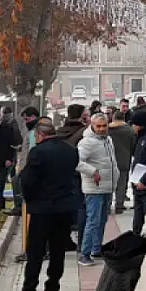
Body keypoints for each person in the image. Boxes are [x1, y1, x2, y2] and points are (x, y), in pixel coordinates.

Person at [13, 119, 79, 291]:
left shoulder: (38, 152)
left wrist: (29, 198)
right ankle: (52, 289)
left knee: (35, 251)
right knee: (58, 249)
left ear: (40, 135)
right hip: (63, 207)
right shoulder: (70, 151)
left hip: (42, 208)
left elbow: (27, 180)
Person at [77, 114, 120, 266]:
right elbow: (77, 161)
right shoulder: (86, 143)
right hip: (94, 188)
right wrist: (92, 171)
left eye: (104, 125)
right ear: (92, 125)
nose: (102, 129)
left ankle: (96, 248)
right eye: (98, 126)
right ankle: (85, 253)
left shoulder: (108, 140)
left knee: (102, 220)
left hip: (107, 186)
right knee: (93, 221)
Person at [59, 105, 88, 249]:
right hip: (78, 172)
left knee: (64, 207)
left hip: (62, 172)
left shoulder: (60, 130)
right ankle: (82, 241)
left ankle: (64, 238)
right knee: (81, 207)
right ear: (81, 115)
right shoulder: (84, 132)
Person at [8, 106, 40, 218]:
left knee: (17, 182)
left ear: (33, 116)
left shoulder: (33, 132)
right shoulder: (33, 130)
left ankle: (19, 207)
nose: (25, 122)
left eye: (27, 119)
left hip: (27, 165)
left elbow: (32, 149)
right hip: (26, 164)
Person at [109, 110, 135, 214]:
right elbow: (133, 145)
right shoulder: (129, 130)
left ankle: (107, 206)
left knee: (109, 184)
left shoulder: (107, 129)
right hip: (124, 160)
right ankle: (119, 205)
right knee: (122, 183)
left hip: (109, 160)